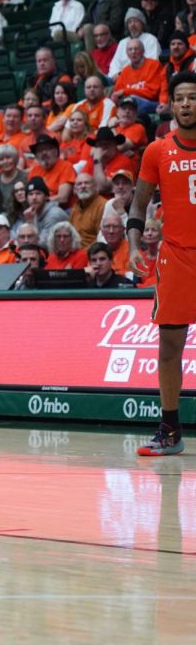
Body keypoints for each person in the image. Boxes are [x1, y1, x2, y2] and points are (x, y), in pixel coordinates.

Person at [128, 70, 196, 456]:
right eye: (180, 98)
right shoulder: (157, 150)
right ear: (171, 104)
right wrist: (135, 244)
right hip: (177, 258)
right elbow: (138, 204)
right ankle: (170, 430)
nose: (186, 104)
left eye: (193, 97)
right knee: (169, 347)